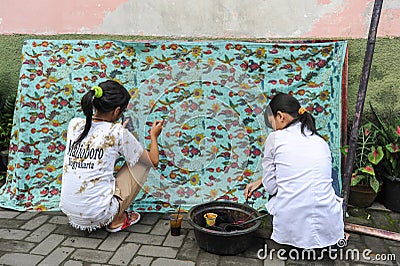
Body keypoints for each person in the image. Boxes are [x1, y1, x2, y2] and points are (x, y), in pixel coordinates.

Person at [244, 92, 345, 250]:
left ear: (280, 116)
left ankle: (293, 232)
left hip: (290, 232)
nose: (274, 130)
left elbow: (272, 188)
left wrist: (265, 181)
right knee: (330, 172)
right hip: (329, 230)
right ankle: (338, 227)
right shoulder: (319, 141)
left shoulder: (275, 138)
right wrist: (260, 181)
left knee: (281, 186)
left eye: (273, 124)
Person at [60, 80, 163, 233]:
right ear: (116, 111)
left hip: (70, 211)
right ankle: (117, 220)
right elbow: (153, 161)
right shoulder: (117, 133)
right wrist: (153, 136)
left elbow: (98, 138)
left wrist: (118, 133)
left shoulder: (74, 124)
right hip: (98, 215)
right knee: (142, 163)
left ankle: (105, 214)